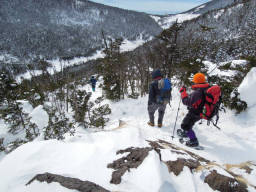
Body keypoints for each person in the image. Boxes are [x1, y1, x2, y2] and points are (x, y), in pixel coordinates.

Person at [177, 72, 210, 147]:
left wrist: (183, 93)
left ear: (196, 81)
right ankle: (186, 133)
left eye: (194, 80)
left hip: (195, 112)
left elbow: (186, 102)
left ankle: (193, 141)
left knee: (185, 125)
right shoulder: (206, 88)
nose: (193, 82)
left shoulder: (198, 92)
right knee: (189, 123)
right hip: (201, 111)